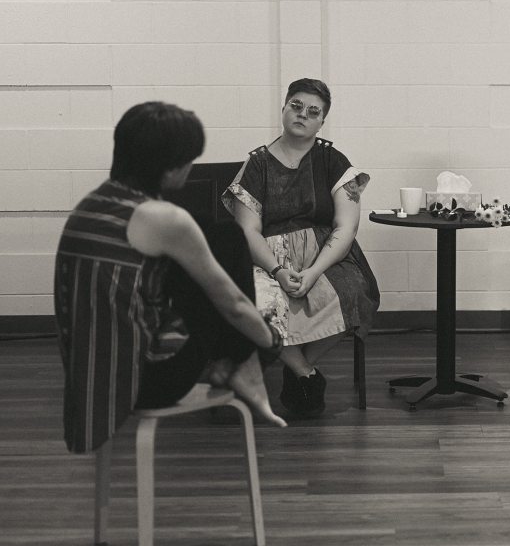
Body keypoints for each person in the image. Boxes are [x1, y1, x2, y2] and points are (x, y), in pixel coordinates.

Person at [55, 102, 286, 455]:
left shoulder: (96, 202)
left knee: (214, 234)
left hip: (88, 378)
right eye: (189, 159)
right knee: (229, 241)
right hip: (143, 380)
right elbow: (234, 304)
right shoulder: (162, 219)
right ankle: (246, 365)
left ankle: (238, 360)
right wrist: (270, 343)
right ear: (169, 169)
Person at [225, 78, 380, 419]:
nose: (302, 115)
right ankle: (305, 373)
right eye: (296, 106)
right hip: (267, 260)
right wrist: (278, 271)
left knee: (354, 291)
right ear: (284, 108)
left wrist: (314, 271)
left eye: (313, 111)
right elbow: (246, 230)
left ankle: (297, 366)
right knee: (255, 301)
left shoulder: (333, 162)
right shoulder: (257, 165)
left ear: (322, 121)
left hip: (325, 257)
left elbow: (346, 227)